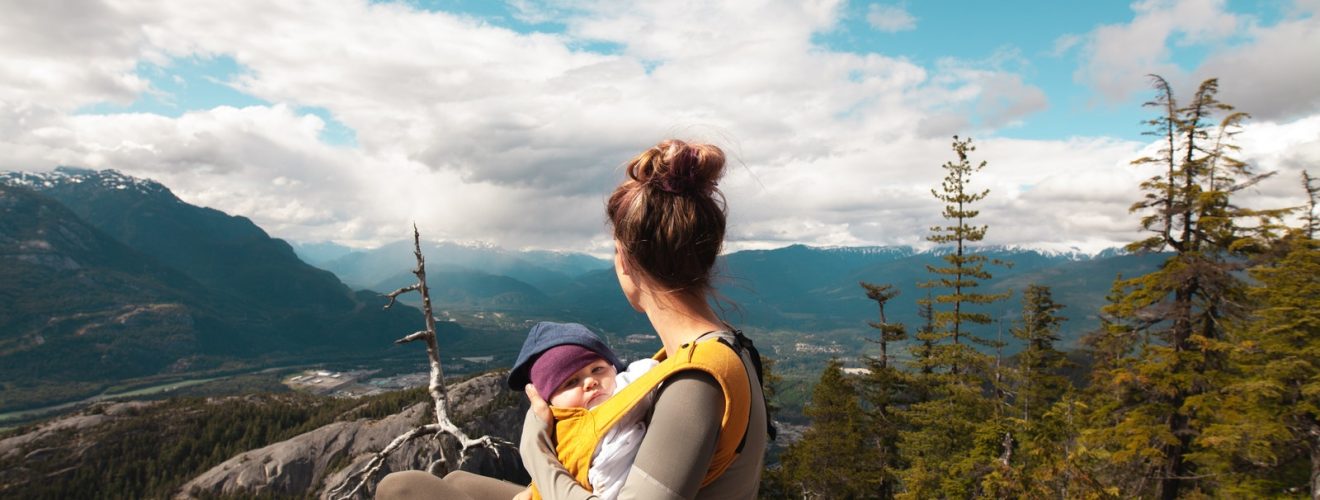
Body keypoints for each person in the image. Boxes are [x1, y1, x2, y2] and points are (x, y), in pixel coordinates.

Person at [375, 139, 770, 500]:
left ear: (625, 260)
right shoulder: (718, 350)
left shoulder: (696, 381)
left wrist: (538, 452)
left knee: (403, 489)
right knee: (459, 482)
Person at [504, 321, 660, 500]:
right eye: (571, 382)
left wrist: (534, 452)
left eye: (598, 369)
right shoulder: (560, 430)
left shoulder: (636, 387)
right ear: (550, 402)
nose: (590, 382)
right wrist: (534, 488)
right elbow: (566, 463)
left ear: (614, 368)